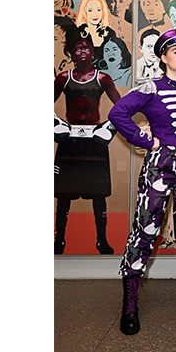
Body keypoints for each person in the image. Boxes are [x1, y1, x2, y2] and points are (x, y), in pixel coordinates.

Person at [107, 28, 176, 335]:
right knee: (145, 228)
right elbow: (118, 114)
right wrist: (145, 139)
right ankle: (130, 300)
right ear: (163, 57)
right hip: (161, 164)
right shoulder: (151, 88)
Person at [55, 30, 122, 255]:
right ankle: (59, 240)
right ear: (73, 53)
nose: (82, 51)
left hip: (94, 141)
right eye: (78, 48)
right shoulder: (64, 78)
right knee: (64, 194)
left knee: (98, 194)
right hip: (70, 141)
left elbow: (121, 108)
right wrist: (55, 125)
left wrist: (109, 128)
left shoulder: (103, 78)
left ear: (92, 52)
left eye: (86, 48)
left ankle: (101, 240)